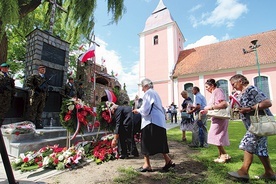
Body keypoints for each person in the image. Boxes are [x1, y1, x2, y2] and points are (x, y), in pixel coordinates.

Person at [228, 74, 276, 181]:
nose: (233, 87)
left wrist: (249, 108)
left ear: (240, 81)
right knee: (260, 149)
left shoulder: (251, 89)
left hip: (258, 125)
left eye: (233, 84)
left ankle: (243, 172)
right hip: (254, 125)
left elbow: (267, 103)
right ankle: (269, 173)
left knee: (247, 143)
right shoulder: (243, 93)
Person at [132, 78, 175, 172]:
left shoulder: (149, 93)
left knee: (145, 142)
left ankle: (147, 164)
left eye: (143, 87)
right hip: (158, 121)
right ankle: (168, 161)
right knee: (160, 142)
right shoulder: (155, 93)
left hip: (151, 121)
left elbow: (146, 109)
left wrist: (137, 111)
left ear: (146, 86)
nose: (142, 89)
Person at [201, 79, 231, 163]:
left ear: (212, 86)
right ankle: (222, 155)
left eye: (207, 87)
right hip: (217, 118)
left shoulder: (217, 91)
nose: (206, 89)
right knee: (216, 136)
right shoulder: (215, 93)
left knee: (215, 135)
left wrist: (210, 108)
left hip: (220, 118)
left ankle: (224, 155)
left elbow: (223, 104)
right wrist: (206, 111)